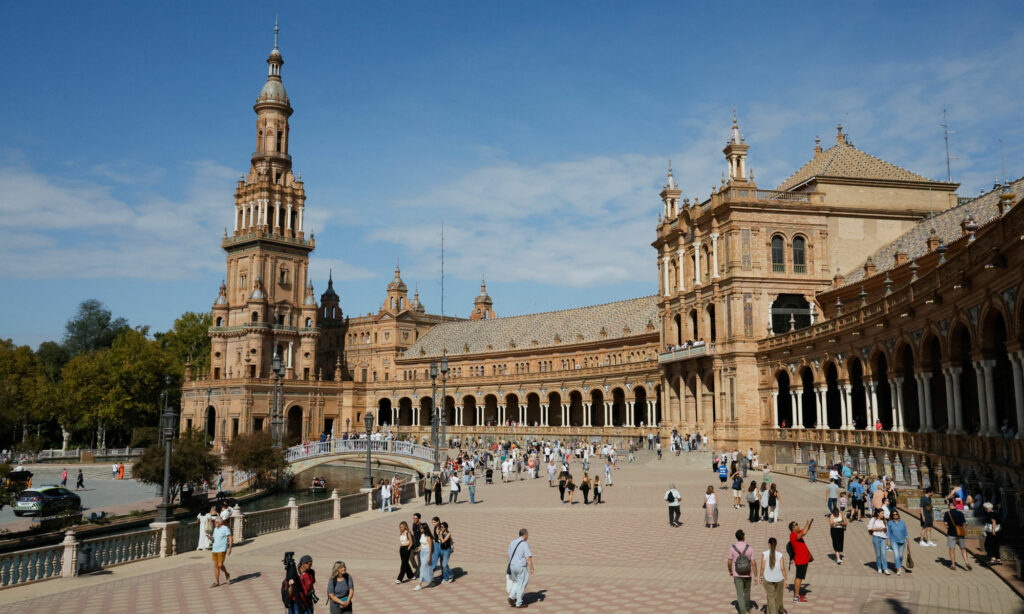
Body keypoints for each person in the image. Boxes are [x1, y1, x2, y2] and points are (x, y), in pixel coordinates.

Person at [727, 529, 757, 613]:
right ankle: (747, 608)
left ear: (736, 537)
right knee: (747, 592)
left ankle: (742, 611)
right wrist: (756, 575)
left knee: (740, 593)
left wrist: (730, 571)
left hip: (737, 573)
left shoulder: (733, 548)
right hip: (748, 573)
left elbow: (729, 562)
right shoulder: (750, 548)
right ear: (743, 537)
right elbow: (753, 563)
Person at [506, 528, 534, 609]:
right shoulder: (524, 544)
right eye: (527, 534)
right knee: (521, 585)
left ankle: (511, 597)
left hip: (512, 565)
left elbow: (509, 555)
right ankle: (519, 603)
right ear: (525, 535)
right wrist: (532, 568)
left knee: (516, 582)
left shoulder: (512, 542)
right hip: (521, 567)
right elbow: (528, 558)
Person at [760, 537, 787, 614]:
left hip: (768, 579)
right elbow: (783, 568)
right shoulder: (780, 555)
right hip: (779, 579)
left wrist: (761, 577)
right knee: (778, 597)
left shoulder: (764, 554)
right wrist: (786, 579)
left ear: (768, 544)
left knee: (770, 597)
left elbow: (762, 567)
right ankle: (778, 611)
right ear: (776, 545)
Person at [788, 519, 812, 603]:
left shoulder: (797, 533)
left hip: (803, 560)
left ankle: (797, 595)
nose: (798, 525)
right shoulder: (793, 535)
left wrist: (809, 523)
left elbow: (806, 530)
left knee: (799, 577)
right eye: (796, 524)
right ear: (792, 528)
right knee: (799, 577)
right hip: (800, 560)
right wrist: (807, 523)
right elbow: (804, 533)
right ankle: (796, 597)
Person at [209, 516, 232, 588]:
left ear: (220, 522)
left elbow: (230, 538)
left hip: (222, 549)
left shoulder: (225, 528)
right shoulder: (215, 529)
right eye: (214, 522)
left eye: (216, 522)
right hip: (215, 549)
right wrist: (211, 538)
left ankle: (227, 574)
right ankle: (217, 582)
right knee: (216, 565)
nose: (214, 523)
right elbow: (214, 540)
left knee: (220, 565)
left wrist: (230, 548)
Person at [868, 508, 889, 574]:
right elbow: (869, 528)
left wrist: (888, 539)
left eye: (883, 513)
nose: (883, 514)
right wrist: (877, 529)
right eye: (882, 513)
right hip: (876, 537)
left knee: (883, 554)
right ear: (878, 513)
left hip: (883, 538)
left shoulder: (884, 520)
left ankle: (885, 568)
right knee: (878, 554)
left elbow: (887, 531)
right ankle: (879, 567)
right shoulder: (873, 519)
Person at [887, 510, 908, 575]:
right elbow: (889, 533)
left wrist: (908, 541)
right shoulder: (890, 523)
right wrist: (888, 540)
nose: (895, 515)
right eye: (894, 514)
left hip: (902, 541)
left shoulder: (902, 522)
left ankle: (898, 564)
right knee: (896, 555)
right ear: (892, 516)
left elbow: (906, 532)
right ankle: (898, 569)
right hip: (894, 541)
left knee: (900, 556)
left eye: (896, 514)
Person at [413, 522, 434, 590]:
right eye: (420, 527)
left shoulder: (429, 537)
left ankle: (419, 584)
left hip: (427, 553)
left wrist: (429, 557)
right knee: (427, 568)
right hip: (422, 552)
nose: (420, 529)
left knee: (422, 568)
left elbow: (430, 548)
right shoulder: (422, 535)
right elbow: (422, 544)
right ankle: (431, 580)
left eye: (421, 528)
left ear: (425, 528)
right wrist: (417, 550)